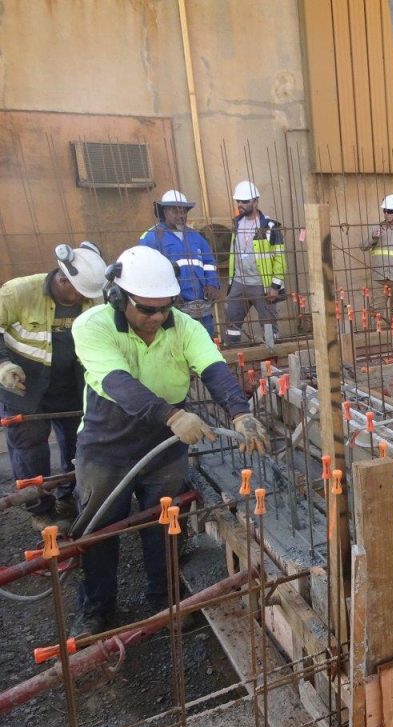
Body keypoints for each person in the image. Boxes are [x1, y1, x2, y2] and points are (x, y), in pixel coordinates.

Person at [69, 245, 269, 635]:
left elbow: (213, 369)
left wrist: (241, 413)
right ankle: (95, 610)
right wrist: (173, 415)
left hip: (163, 445)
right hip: (106, 442)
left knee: (164, 523)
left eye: (165, 307)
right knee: (98, 529)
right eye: (146, 309)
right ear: (117, 297)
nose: (158, 317)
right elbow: (117, 383)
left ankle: (164, 601)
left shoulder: (184, 326)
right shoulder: (92, 326)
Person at [0, 243, 107, 531]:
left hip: (72, 383)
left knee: (79, 442)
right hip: (25, 384)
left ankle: (71, 497)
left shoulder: (94, 298)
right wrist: (4, 366)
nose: (85, 298)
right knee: (30, 448)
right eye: (80, 292)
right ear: (63, 279)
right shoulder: (18, 292)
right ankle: (41, 510)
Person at [140, 189, 220, 336]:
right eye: (175, 212)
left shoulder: (196, 236)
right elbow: (147, 271)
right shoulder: (152, 237)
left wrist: (212, 283)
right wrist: (167, 296)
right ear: (164, 212)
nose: (181, 216)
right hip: (172, 306)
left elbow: (209, 262)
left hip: (201, 304)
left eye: (183, 212)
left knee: (205, 341)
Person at [224, 181, 286, 346]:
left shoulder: (269, 227)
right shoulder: (236, 223)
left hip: (261, 284)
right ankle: (233, 357)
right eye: (238, 201)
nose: (240, 205)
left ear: (255, 202)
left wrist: (275, 286)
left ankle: (271, 362)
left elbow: (280, 257)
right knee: (231, 323)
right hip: (239, 282)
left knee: (268, 326)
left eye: (245, 201)